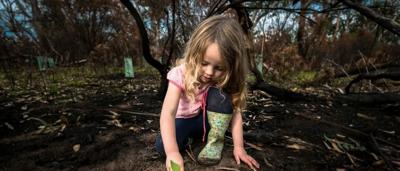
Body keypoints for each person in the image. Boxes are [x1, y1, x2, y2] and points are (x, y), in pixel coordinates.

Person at [155, 15, 260, 171]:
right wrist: (172, 152)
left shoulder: (225, 78)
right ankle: (191, 139)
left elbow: (236, 113)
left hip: (208, 120)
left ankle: (215, 140)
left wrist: (239, 147)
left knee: (223, 95)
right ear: (194, 54)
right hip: (182, 119)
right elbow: (168, 114)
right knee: (162, 146)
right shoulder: (180, 74)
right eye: (204, 63)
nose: (209, 72)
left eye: (219, 68)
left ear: (231, 66)